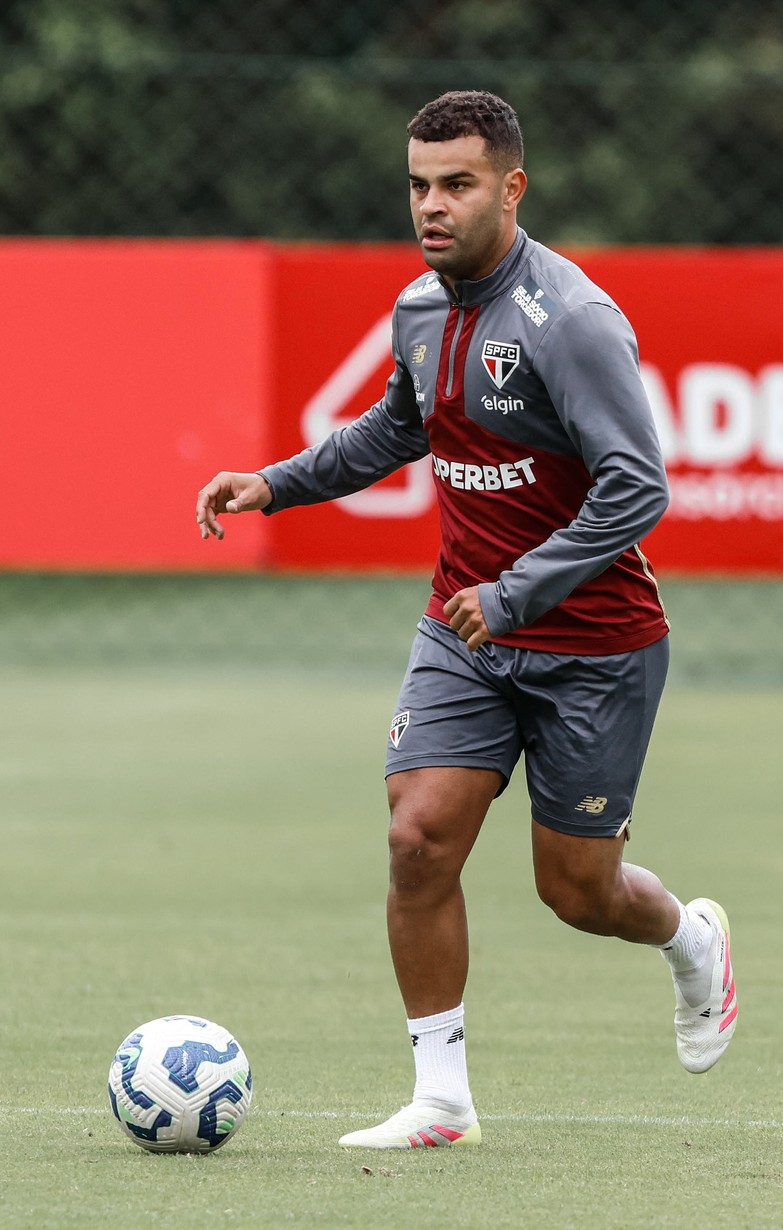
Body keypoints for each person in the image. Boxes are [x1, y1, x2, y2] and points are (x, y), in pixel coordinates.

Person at [196, 90, 738, 1151]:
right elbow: (391, 432)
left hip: (593, 646)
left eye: (457, 185)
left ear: (511, 188)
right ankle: (441, 1096)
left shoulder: (573, 322)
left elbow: (637, 487)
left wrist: (519, 589)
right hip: (463, 629)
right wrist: (273, 482)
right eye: (417, 185)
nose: (431, 206)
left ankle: (692, 940)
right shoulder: (416, 309)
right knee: (416, 839)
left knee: (577, 893)